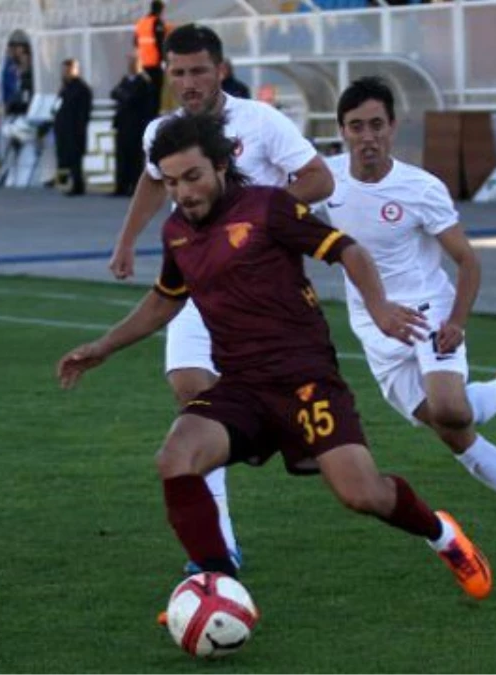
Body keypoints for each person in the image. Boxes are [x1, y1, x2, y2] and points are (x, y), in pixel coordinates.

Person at [57, 113, 492, 604]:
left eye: (193, 177)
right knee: (176, 457)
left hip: (306, 381)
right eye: (172, 182)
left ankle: (442, 534)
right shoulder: (178, 231)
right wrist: (102, 347)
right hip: (241, 387)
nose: (184, 192)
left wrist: (380, 307)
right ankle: (219, 589)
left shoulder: (268, 208)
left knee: (362, 494)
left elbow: (347, 251)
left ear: (221, 165)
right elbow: (165, 299)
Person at [107, 23, 334, 570]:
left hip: (263, 294)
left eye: (199, 70)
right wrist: (127, 239)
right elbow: (150, 180)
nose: (189, 81)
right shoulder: (160, 130)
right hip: (196, 283)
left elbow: (319, 179)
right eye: (179, 71)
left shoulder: (260, 121)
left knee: (334, 464)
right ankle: (220, 548)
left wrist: (261, 216)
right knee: (189, 391)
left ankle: (273, 435)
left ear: (221, 69)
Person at [321, 77, 496, 538]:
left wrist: (456, 320)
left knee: (450, 408)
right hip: (373, 327)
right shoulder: (326, 179)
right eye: (356, 126)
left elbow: (467, 260)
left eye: (376, 124)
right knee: (450, 431)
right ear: (342, 131)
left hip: (427, 311)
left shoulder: (421, 188)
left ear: (393, 127)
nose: (367, 136)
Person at [109, 56, 155, 197]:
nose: (131, 66)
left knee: (135, 157)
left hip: (136, 125)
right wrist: (124, 95)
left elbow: (133, 99)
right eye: (129, 63)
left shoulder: (144, 81)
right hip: (122, 125)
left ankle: (135, 187)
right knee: (121, 156)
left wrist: (123, 95)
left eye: (134, 63)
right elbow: (114, 93)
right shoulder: (125, 80)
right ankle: (121, 186)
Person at [53, 58, 92, 197]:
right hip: (63, 127)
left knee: (75, 157)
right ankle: (65, 183)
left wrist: (80, 128)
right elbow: (58, 105)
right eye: (64, 70)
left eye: (68, 70)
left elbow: (84, 111)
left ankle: (77, 184)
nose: (65, 73)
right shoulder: (65, 87)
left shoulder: (82, 88)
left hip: (75, 128)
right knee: (64, 156)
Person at [134, 0, 168, 117]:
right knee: (155, 97)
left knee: (145, 96)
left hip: (143, 65)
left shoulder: (141, 23)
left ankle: (145, 120)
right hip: (155, 64)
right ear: (160, 10)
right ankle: (154, 119)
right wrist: (164, 61)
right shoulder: (157, 22)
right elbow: (161, 43)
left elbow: (135, 43)